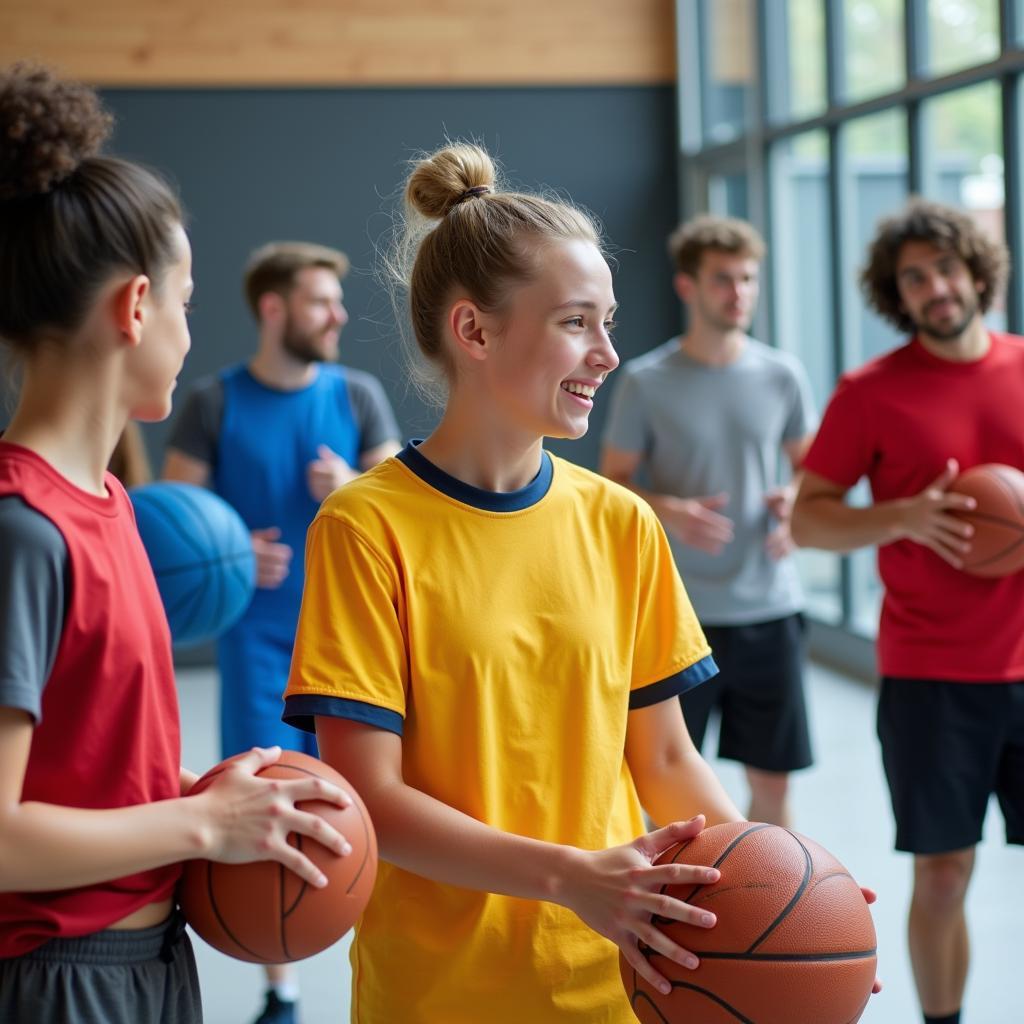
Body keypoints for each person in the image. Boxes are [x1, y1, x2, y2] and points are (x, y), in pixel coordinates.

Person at [282, 141, 747, 1024]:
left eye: (608, 321)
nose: (608, 353)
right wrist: (573, 879)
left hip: (618, 980)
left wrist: (779, 891)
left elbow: (668, 759)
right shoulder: (363, 526)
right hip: (438, 997)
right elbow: (371, 796)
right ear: (476, 331)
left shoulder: (622, 523)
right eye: (578, 321)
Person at [0, 63, 352, 1024]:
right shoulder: (21, 529)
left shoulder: (113, 500)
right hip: (61, 978)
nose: (192, 335)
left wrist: (202, 790)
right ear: (137, 306)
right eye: (188, 305)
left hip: (150, 959)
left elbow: (88, 771)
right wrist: (202, 821)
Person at [791, 197, 1022, 1024]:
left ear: (976, 271)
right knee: (943, 873)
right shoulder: (871, 393)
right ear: (899, 295)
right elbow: (806, 518)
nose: (935, 288)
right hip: (932, 674)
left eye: (946, 269)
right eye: (914, 278)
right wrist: (902, 516)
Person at [162, 240, 400, 1024]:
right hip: (255, 636)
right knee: (269, 805)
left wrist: (357, 489)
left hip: (349, 639)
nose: (338, 315)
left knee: (369, 802)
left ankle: (382, 949)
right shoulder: (212, 401)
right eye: (321, 301)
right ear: (274, 309)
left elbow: (409, 517)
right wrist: (229, 549)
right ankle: (281, 987)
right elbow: (171, 519)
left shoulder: (358, 395)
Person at [601, 214, 817, 827]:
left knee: (772, 788)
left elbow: (811, 471)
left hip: (770, 608)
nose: (739, 292)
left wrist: (792, 500)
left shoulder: (782, 374)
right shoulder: (646, 380)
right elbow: (612, 485)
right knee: (664, 789)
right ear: (688, 286)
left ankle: (775, 906)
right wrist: (670, 510)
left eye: (748, 278)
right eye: (724, 279)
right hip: (677, 615)